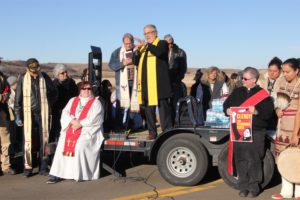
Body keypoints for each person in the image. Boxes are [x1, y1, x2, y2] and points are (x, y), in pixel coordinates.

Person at [223, 67, 274, 198]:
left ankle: (254, 187)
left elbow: (268, 114)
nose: (242, 80)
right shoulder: (237, 91)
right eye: (242, 78)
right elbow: (226, 105)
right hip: (239, 130)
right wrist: (227, 111)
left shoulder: (263, 94)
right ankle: (243, 186)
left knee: (254, 159)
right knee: (240, 159)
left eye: (245, 79)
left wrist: (256, 111)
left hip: (256, 131)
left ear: (254, 79)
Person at [47, 81, 104, 184]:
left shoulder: (96, 102)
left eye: (89, 89)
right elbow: (65, 113)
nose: (86, 91)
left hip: (88, 130)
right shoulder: (73, 100)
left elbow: (95, 119)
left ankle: (78, 173)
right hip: (71, 127)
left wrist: (80, 123)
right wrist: (72, 121)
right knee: (62, 143)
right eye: (84, 89)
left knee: (79, 145)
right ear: (80, 90)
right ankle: (58, 173)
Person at [14, 58, 58, 177]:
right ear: (27, 69)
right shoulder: (23, 78)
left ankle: (43, 167)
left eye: (36, 70)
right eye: (32, 70)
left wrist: (48, 104)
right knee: (27, 142)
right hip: (28, 115)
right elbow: (18, 98)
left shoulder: (44, 77)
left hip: (43, 115)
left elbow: (54, 93)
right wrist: (18, 115)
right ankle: (28, 168)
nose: (34, 72)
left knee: (44, 140)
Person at [133, 24, 173, 140]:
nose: (147, 36)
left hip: (159, 84)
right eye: (145, 34)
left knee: (163, 110)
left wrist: (146, 45)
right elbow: (136, 62)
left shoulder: (162, 43)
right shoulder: (145, 47)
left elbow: (159, 52)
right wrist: (136, 51)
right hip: (146, 84)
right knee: (149, 110)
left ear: (155, 33)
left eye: (149, 33)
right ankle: (152, 132)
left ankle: (167, 132)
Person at [272, 58, 300, 200]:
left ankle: (299, 193)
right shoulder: (280, 81)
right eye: (283, 71)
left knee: (297, 158)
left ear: (297, 71)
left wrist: (295, 134)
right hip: (282, 126)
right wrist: (277, 110)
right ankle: (286, 192)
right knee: (284, 158)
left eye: (288, 72)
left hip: (296, 125)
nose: (285, 74)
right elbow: (276, 101)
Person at [108, 33, 140, 132]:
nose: (128, 45)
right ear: (123, 43)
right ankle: (118, 127)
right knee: (120, 105)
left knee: (133, 105)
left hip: (135, 82)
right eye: (126, 44)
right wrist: (123, 63)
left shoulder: (137, 50)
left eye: (130, 43)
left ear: (133, 42)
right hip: (121, 84)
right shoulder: (117, 52)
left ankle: (129, 125)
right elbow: (111, 65)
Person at [50, 64, 78, 143]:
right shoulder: (53, 85)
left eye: (65, 72)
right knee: (57, 130)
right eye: (62, 73)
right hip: (57, 112)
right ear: (57, 75)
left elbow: (76, 97)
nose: (65, 74)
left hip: (70, 112)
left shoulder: (72, 84)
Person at [164, 34, 187, 121]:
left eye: (171, 43)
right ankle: (168, 123)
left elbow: (183, 69)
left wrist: (177, 78)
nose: (170, 45)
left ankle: (177, 122)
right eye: (168, 43)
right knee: (166, 105)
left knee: (176, 104)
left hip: (176, 83)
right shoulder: (162, 51)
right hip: (164, 83)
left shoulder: (180, 52)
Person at [0, 59, 16, 176]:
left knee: (5, 141)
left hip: (2, 112)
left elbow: (8, 90)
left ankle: (5, 166)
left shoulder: (3, 77)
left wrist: (6, 95)